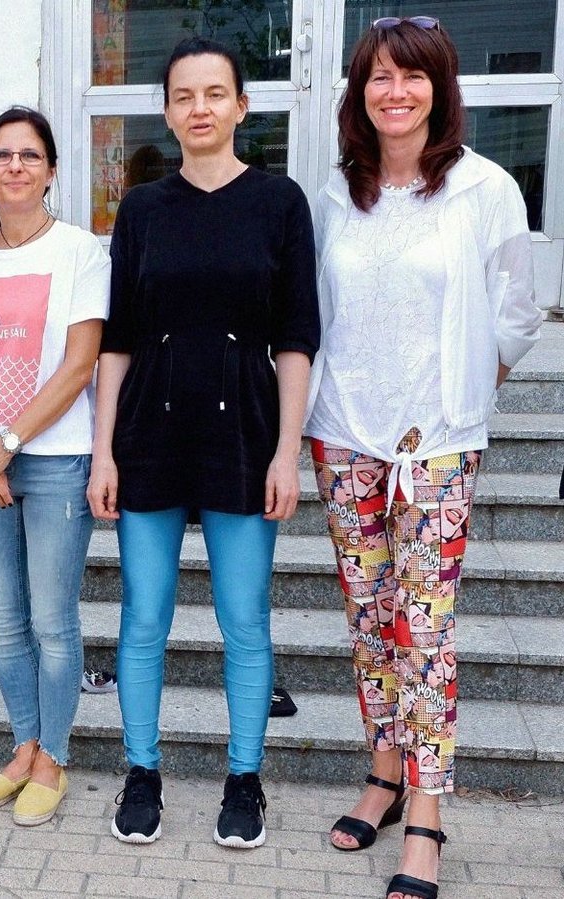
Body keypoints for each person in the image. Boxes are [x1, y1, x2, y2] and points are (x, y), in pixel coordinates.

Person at [306, 17, 541, 899]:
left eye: (411, 76)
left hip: (435, 445)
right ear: (358, 93)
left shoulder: (484, 189)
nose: (393, 91)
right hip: (344, 433)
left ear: (440, 88)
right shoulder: (337, 194)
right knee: (370, 618)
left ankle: (428, 813)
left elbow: (518, 310)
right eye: (377, 77)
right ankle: (383, 766)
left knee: (426, 631)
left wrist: (463, 393)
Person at [87, 37, 319, 850]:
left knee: (243, 620)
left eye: (215, 93)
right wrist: (104, 449)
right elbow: (116, 339)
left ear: (241, 107)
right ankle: (141, 771)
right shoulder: (143, 209)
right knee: (143, 617)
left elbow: (296, 338)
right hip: (151, 429)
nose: (200, 109)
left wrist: (288, 450)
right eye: (185, 96)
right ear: (168, 110)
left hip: (245, 432)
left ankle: (244, 779)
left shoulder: (280, 202)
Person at [0, 106, 108, 826]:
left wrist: (4, 443)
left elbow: (79, 365)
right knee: (3, 620)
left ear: (52, 170)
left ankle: (55, 757)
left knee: (51, 620)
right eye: (1, 155)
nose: (15, 166)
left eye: (30, 155)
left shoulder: (80, 251)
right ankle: (23, 744)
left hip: (56, 461)